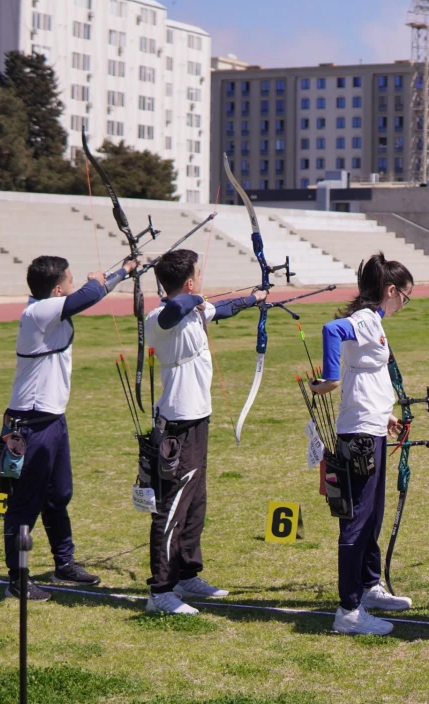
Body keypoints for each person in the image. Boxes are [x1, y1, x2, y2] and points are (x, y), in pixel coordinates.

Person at [0, 255, 135, 600]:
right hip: (29, 426)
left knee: (59, 495)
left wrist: (122, 273)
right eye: (71, 280)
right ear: (58, 289)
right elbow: (87, 297)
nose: (75, 284)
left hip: (53, 421)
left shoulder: (48, 308)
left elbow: (86, 295)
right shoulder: (38, 311)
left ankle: (64, 563)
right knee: (24, 504)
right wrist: (113, 274)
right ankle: (19, 576)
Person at [142, 249, 263, 615]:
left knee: (196, 501)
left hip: (198, 419)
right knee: (172, 505)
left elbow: (221, 309)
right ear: (190, 282)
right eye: (198, 276)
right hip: (176, 422)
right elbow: (175, 310)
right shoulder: (159, 317)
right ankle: (160, 591)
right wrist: (192, 297)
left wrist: (254, 298)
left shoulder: (194, 309)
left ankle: (186, 574)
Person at [311, 253, 416, 636]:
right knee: (356, 520)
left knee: (372, 514)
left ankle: (369, 587)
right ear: (390, 291)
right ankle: (349, 610)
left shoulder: (374, 324)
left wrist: (383, 413)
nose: (403, 304)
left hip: (370, 428)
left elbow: (367, 376)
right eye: (404, 297)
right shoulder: (366, 321)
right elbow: (330, 330)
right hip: (358, 436)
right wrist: (331, 378)